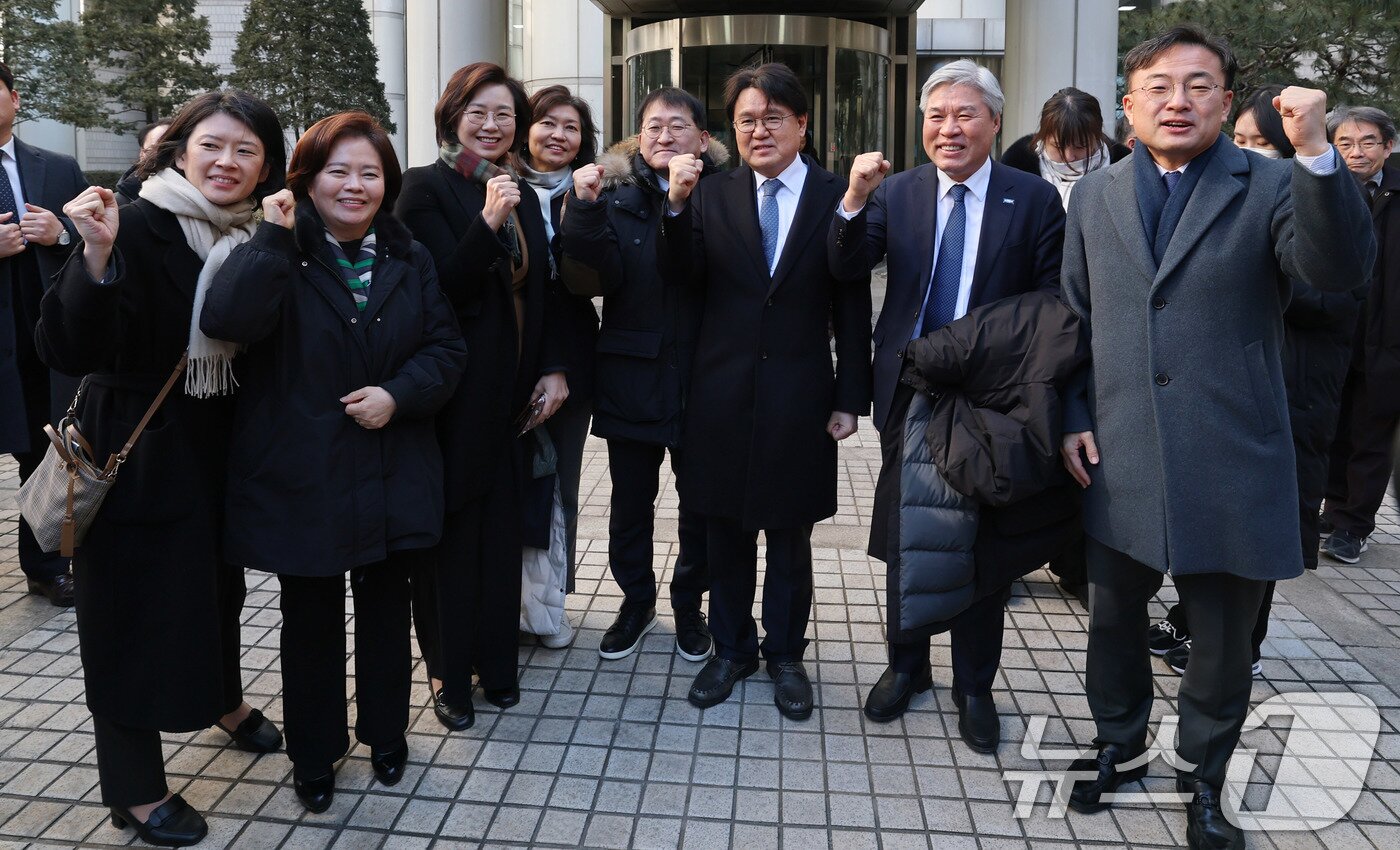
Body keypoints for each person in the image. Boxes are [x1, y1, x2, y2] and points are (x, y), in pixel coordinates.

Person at [1058, 25, 1374, 850]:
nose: (1178, 99)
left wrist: (1314, 155)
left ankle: (1203, 778)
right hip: (1119, 453)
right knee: (1113, 625)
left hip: (1234, 456)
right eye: (1158, 84)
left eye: (1199, 85)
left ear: (1228, 102)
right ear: (1128, 104)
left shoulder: (1271, 185)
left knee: (1223, 645)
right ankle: (1119, 746)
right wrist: (1072, 418)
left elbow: (1336, 270)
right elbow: (1075, 320)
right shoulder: (1096, 195)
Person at [39, 90, 291, 847]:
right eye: (212, 145)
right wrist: (94, 255)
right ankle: (135, 788)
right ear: (179, 150)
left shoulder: (258, 231)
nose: (227, 162)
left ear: (266, 168)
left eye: (246, 151)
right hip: (137, 448)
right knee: (125, 613)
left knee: (217, 588)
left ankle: (221, 698)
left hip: (220, 445)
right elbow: (65, 347)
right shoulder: (134, 219)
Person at [201, 112, 466, 813]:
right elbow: (226, 323)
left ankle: (386, 736)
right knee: (310, 619)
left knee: (386, 611)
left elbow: (447, 352)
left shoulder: (409, 256)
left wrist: (397, 395)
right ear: (307, 180)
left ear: (388, 184)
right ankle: (313, 754)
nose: (355, 185)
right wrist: (270, 237)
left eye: (370, 173)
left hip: (392, 464)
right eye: (338, 171)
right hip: (304, 473)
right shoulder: (278, 248)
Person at [829, 60, 1076, 751]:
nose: (949, 128)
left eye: (965, 114)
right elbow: (847, 265)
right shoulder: (897, 192)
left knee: (984, 543)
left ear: (995, 122)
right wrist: (851, 199)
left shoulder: (1030, 200)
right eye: (936, 116)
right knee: (911, 534)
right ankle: (905, 666)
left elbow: (1050, 300)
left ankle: (974, 684)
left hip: (991, 397)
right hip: (909, 386)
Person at [659, 62, 872, 721]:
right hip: (720, 393)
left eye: (772, 118)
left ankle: (785, 652)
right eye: (746, 120)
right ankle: (731, 649)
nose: (758, 131)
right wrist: (674, 206)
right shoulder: (713, 193)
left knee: (789, 535)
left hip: (800, 394)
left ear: (802, 125)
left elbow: (854, 296)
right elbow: (682, 279)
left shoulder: (838, 195)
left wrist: (849, 396)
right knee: (723, 530)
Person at [1148, 86, 1365, 676]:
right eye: (1239, 141)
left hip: (1293, 389)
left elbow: (1332, 291)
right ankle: (1194, 618)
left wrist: (1242, 284)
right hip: (1232, 391)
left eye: (1261, 144)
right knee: (1215, 518)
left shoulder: (1314, 202)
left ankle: (1241, 644)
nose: (1246, 153)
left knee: (1262, 528)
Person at [396, 62, 568, 729]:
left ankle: (497, 662)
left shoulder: (519, 189)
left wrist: (552, 367)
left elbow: (541, 289)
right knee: (450, 539)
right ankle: (446, 672)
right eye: (479, 112)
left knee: (501, 533)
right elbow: (436, 288)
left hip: (512, 396)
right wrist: (489, 221)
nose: (493, 125)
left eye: (504, 115)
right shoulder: (424, 187)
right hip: (454, 399)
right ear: (452, 115)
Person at [561, 86, 722, 663]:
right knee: (630, 503)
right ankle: (635, 600)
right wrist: (580, 208)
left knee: (699, 503)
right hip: (632, 372)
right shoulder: (616, 196)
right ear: (638, 137)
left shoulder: (723, 196)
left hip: (703, 377)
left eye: (678, 126)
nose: (664, 137)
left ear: (702, 139)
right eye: (653, 127)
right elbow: (591, 272)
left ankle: (688, 604)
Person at [1000, 85, 1130, 606]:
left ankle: (1077, 565)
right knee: (1023, 436)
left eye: (1082, 146)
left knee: (1087, 446)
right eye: (1061, 146)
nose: (1073, 157)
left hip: (1099, 312)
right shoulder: (1019, 158)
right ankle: (1004, 559)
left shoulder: (1122, 162)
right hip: (1032, 311)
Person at [516, 84, 600, 650]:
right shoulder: (495, 187)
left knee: (559, 484)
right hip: (509, 360)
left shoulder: (596, 193)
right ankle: (507, 599)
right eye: (548, 122)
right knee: (508, 482)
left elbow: (593, 284)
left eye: (571, 127)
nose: (558, 135)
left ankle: (549, 608)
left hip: (571, 362)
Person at [0, 61, 85, 607]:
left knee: (43, 447)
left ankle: (48, 565)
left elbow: (94, 235)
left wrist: (61, 233)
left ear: (14, 98)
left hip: (38, 337)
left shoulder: (57, 166)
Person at [1321, 105, 1399, 565]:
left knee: (1373, 432)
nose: (1357, 152)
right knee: (1333, 429)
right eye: (1345, 144)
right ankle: (1332, 510)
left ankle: (1354, 524)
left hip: (1388, 337)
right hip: (1335, 332)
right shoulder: (1323, 191)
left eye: (1368, 142)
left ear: (1388, 145)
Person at [1001, 86, 1132, 209]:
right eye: (1058, 146)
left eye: (1081, 146)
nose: (1069, 157)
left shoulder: (1127, 169)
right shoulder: (1015, 168)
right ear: (1043, 137)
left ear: (1097, 138)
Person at [115, 118, 174, 205]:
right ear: (142, 154)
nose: (165, 155)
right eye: (155, 149)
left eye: (171, 148)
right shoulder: (118, 206)